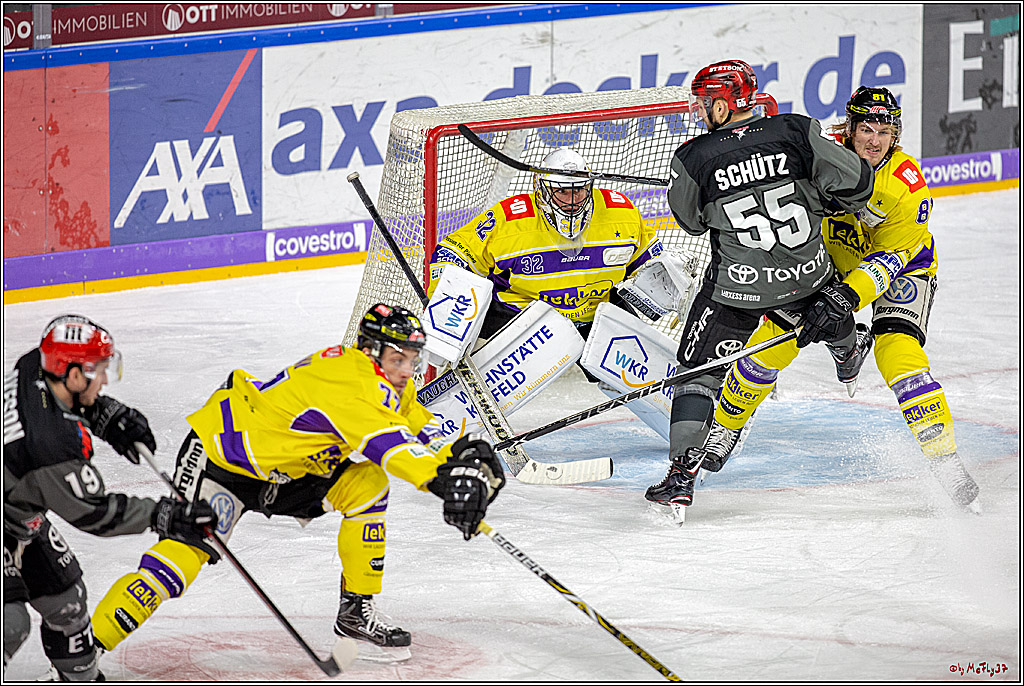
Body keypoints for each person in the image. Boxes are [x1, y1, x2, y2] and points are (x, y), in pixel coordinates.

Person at [90, 303, 504, 657]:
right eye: (400, 358)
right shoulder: (348, 382)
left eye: (412, 358)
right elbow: (392, 446)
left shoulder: (386, 379)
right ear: (372, 351)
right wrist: (443, 482)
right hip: (225, 462)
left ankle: (355, 609)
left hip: (291, 472)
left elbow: (417, 428)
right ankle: (87, 650)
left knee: (367, 485)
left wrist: (459, 456)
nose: (408, 369)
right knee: (179, 560)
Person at [676, 86, 980, 513]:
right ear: (850, 129)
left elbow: (892, 256)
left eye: (886, 132)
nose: (875, 141)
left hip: (899, 268)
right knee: (766, 351)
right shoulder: (821, 154)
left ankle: (945, 461)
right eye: (866, 129)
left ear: (897, 136)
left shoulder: (905, 186)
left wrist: (844, 297)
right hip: (826, 264)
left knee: (899, 355)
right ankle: (725, 429)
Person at [644, 59, 875, 513]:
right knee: (825, 298)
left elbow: (690, 223)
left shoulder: (694, 158)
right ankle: (848, 348)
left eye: (705, 103)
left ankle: (680, 476)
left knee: (697, 373)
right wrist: (819, 195)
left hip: (738, 289)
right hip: (808, 276)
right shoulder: (797, 131)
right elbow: (859, 185)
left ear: (725, 104)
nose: (699, 110)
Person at [4, 315, 214, 681]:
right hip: (11, 518)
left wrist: (106, 416)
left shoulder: (34, 363)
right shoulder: (53, 447)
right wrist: (165, 515)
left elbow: (62, 404)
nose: (102, 380)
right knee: (10, 623)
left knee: (68, 603)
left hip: (18, 516)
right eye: (97, 371)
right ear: (72, 375)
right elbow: (95, 513)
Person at [427, 147, 663, 343]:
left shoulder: (620, 212)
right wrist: (445, 301)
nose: (572, 200)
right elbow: (454, 253)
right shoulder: (509, 219)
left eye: (579, 190)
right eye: (561, 191)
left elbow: (650, 263)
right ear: (541, 191)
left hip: (595, 317)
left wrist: (673, 278)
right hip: (521, 319)